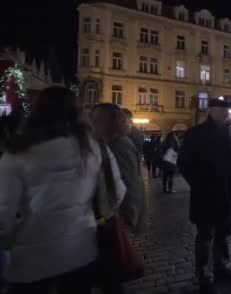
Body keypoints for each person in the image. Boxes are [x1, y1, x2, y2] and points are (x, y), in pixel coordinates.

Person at [0, 87, 125, 294]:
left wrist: (13, 243)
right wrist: (94, 221)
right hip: (81, 251)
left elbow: (3, 216)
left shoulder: (16, 153)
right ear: (78, 113)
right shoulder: (94, 148)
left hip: (31, 260)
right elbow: (116, 194)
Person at [177, 98, 231, 294]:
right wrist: (199, 183)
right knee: (205, 236)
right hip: (205, 193)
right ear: (212, 110)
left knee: (223, 233)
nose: (227, 113)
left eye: (228, 110)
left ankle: (221, 266)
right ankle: (204, 272)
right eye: (223, 110)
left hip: (227, 192)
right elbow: (184, 164)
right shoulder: (195, 134)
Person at [92, 104, 146, 237]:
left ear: (112, 122)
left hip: (120, 221)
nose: (92, 122)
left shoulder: (120, 145)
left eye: (97, 118)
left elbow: (131, 185)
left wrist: (126, 223)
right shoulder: (109, 143)